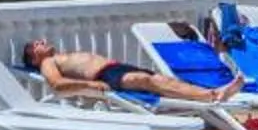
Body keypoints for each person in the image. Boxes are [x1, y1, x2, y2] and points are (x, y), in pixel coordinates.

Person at [22, 38, 241, 102]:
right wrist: (91, 85)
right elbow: (57, 85)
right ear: (34, 57)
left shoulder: (59, 56)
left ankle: (211, 92)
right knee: (148, 82)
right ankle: (211, 96)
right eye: (37, 44)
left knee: (161, 81)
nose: (43, 40)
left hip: (116, 67)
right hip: (105, 76)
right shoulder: (47, 64)